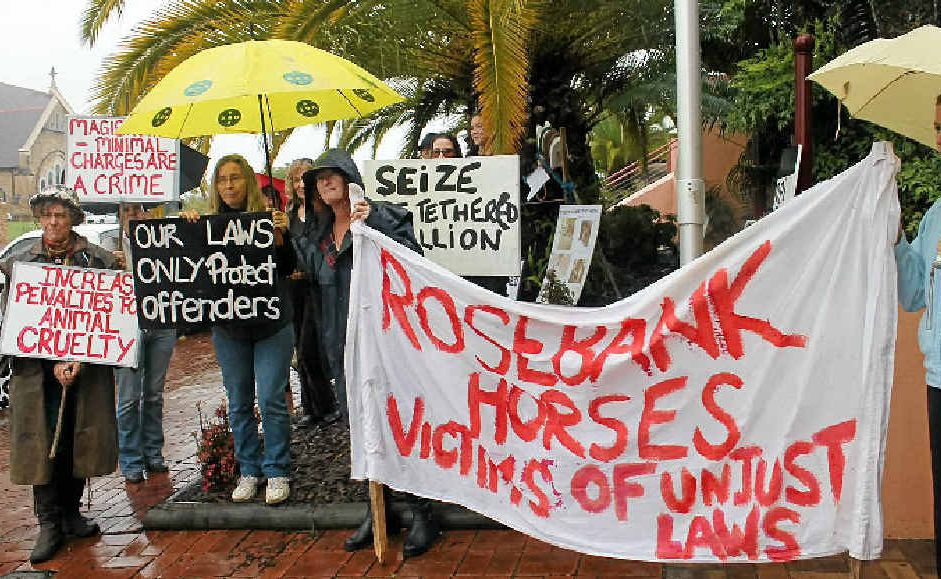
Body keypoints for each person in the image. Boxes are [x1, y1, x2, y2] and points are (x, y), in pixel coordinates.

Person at [294, 148, 442, 558]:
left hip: (386, 347)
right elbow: (310, 275)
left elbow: (413, 260)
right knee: (359, 430)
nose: (325, 183)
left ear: (349, 176)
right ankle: (378, 509)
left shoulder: (383, 218)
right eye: (317, 178)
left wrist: (372, 221)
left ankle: (421, 510)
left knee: (396, 425)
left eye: (331, 175)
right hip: (342, 350)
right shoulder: (319, 237)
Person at [0, 187, 118, 563]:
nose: (54, 222)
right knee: (42, 440)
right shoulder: (20, 263)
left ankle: (71, 512)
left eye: (61, 216)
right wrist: (52, 361)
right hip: (37, 375)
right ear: (39, 218)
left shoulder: (96, 260)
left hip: (85, 372)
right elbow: (14, 323)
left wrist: (80, 359)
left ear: (73, 220)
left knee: (75, 437)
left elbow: (106, 319)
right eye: (48, 215)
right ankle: (48, 521)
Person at [180, 154, 295, 505]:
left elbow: (289, 268)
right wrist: (189, 228)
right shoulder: (207, 223)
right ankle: (249, 469)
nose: (228, 185)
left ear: (247, 181)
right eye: (221, 179)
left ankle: (276, 470)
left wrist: (279, 237)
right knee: (240, 402)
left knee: (272, 399)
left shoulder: (269, 222)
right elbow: (191, 271)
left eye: (235, 178)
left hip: (272, 324)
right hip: (230, 329)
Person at [896, 94, 941, 575]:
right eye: (937, 127)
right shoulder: (936, 214)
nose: (938, 139)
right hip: (938, 377)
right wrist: (896, 237)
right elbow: (912, 294)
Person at [113, 204, 177, 484]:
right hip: (126, 327)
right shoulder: (108, 247)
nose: (133, 217)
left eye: (138, 210)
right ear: (120, 216)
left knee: (153, 393)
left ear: (148, 214)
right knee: (128, 398)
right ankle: (130, 459)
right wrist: (112, 267)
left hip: (161, 322)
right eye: (127, 211)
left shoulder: (161, 239)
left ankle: (153, 453)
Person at [285, 157, 336, 426]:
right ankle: (311, 406)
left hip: (319, 286)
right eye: (295, 179)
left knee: (309, 348)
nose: (300, 184)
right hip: (295, 289)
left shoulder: (323, 212)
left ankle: (326, 403)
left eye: (305, 178)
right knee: (299, 348)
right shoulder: (290, 215)